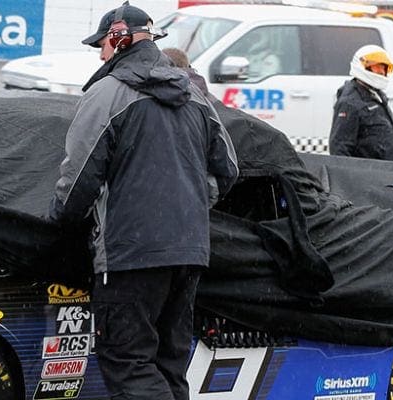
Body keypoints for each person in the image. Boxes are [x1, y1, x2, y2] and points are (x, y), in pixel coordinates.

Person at [50, 3, 239, 399]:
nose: (100, 54)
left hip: (129, 255)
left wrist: (59, 224)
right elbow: (228, 170)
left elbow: (79, 179)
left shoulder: (107, 94)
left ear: (119, 39)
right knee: (168, 367)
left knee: (129, 365)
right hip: (188, 254)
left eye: (101, 45)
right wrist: (184, 209)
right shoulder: (195, 97)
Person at [329, 44, 393, 161]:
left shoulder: (376, 95)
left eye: (383, 68)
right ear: (362, 66)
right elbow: (340, 147)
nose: (381, 72)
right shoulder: (350, 102)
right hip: (367, 173)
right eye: (376, 67)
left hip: (384, 170)